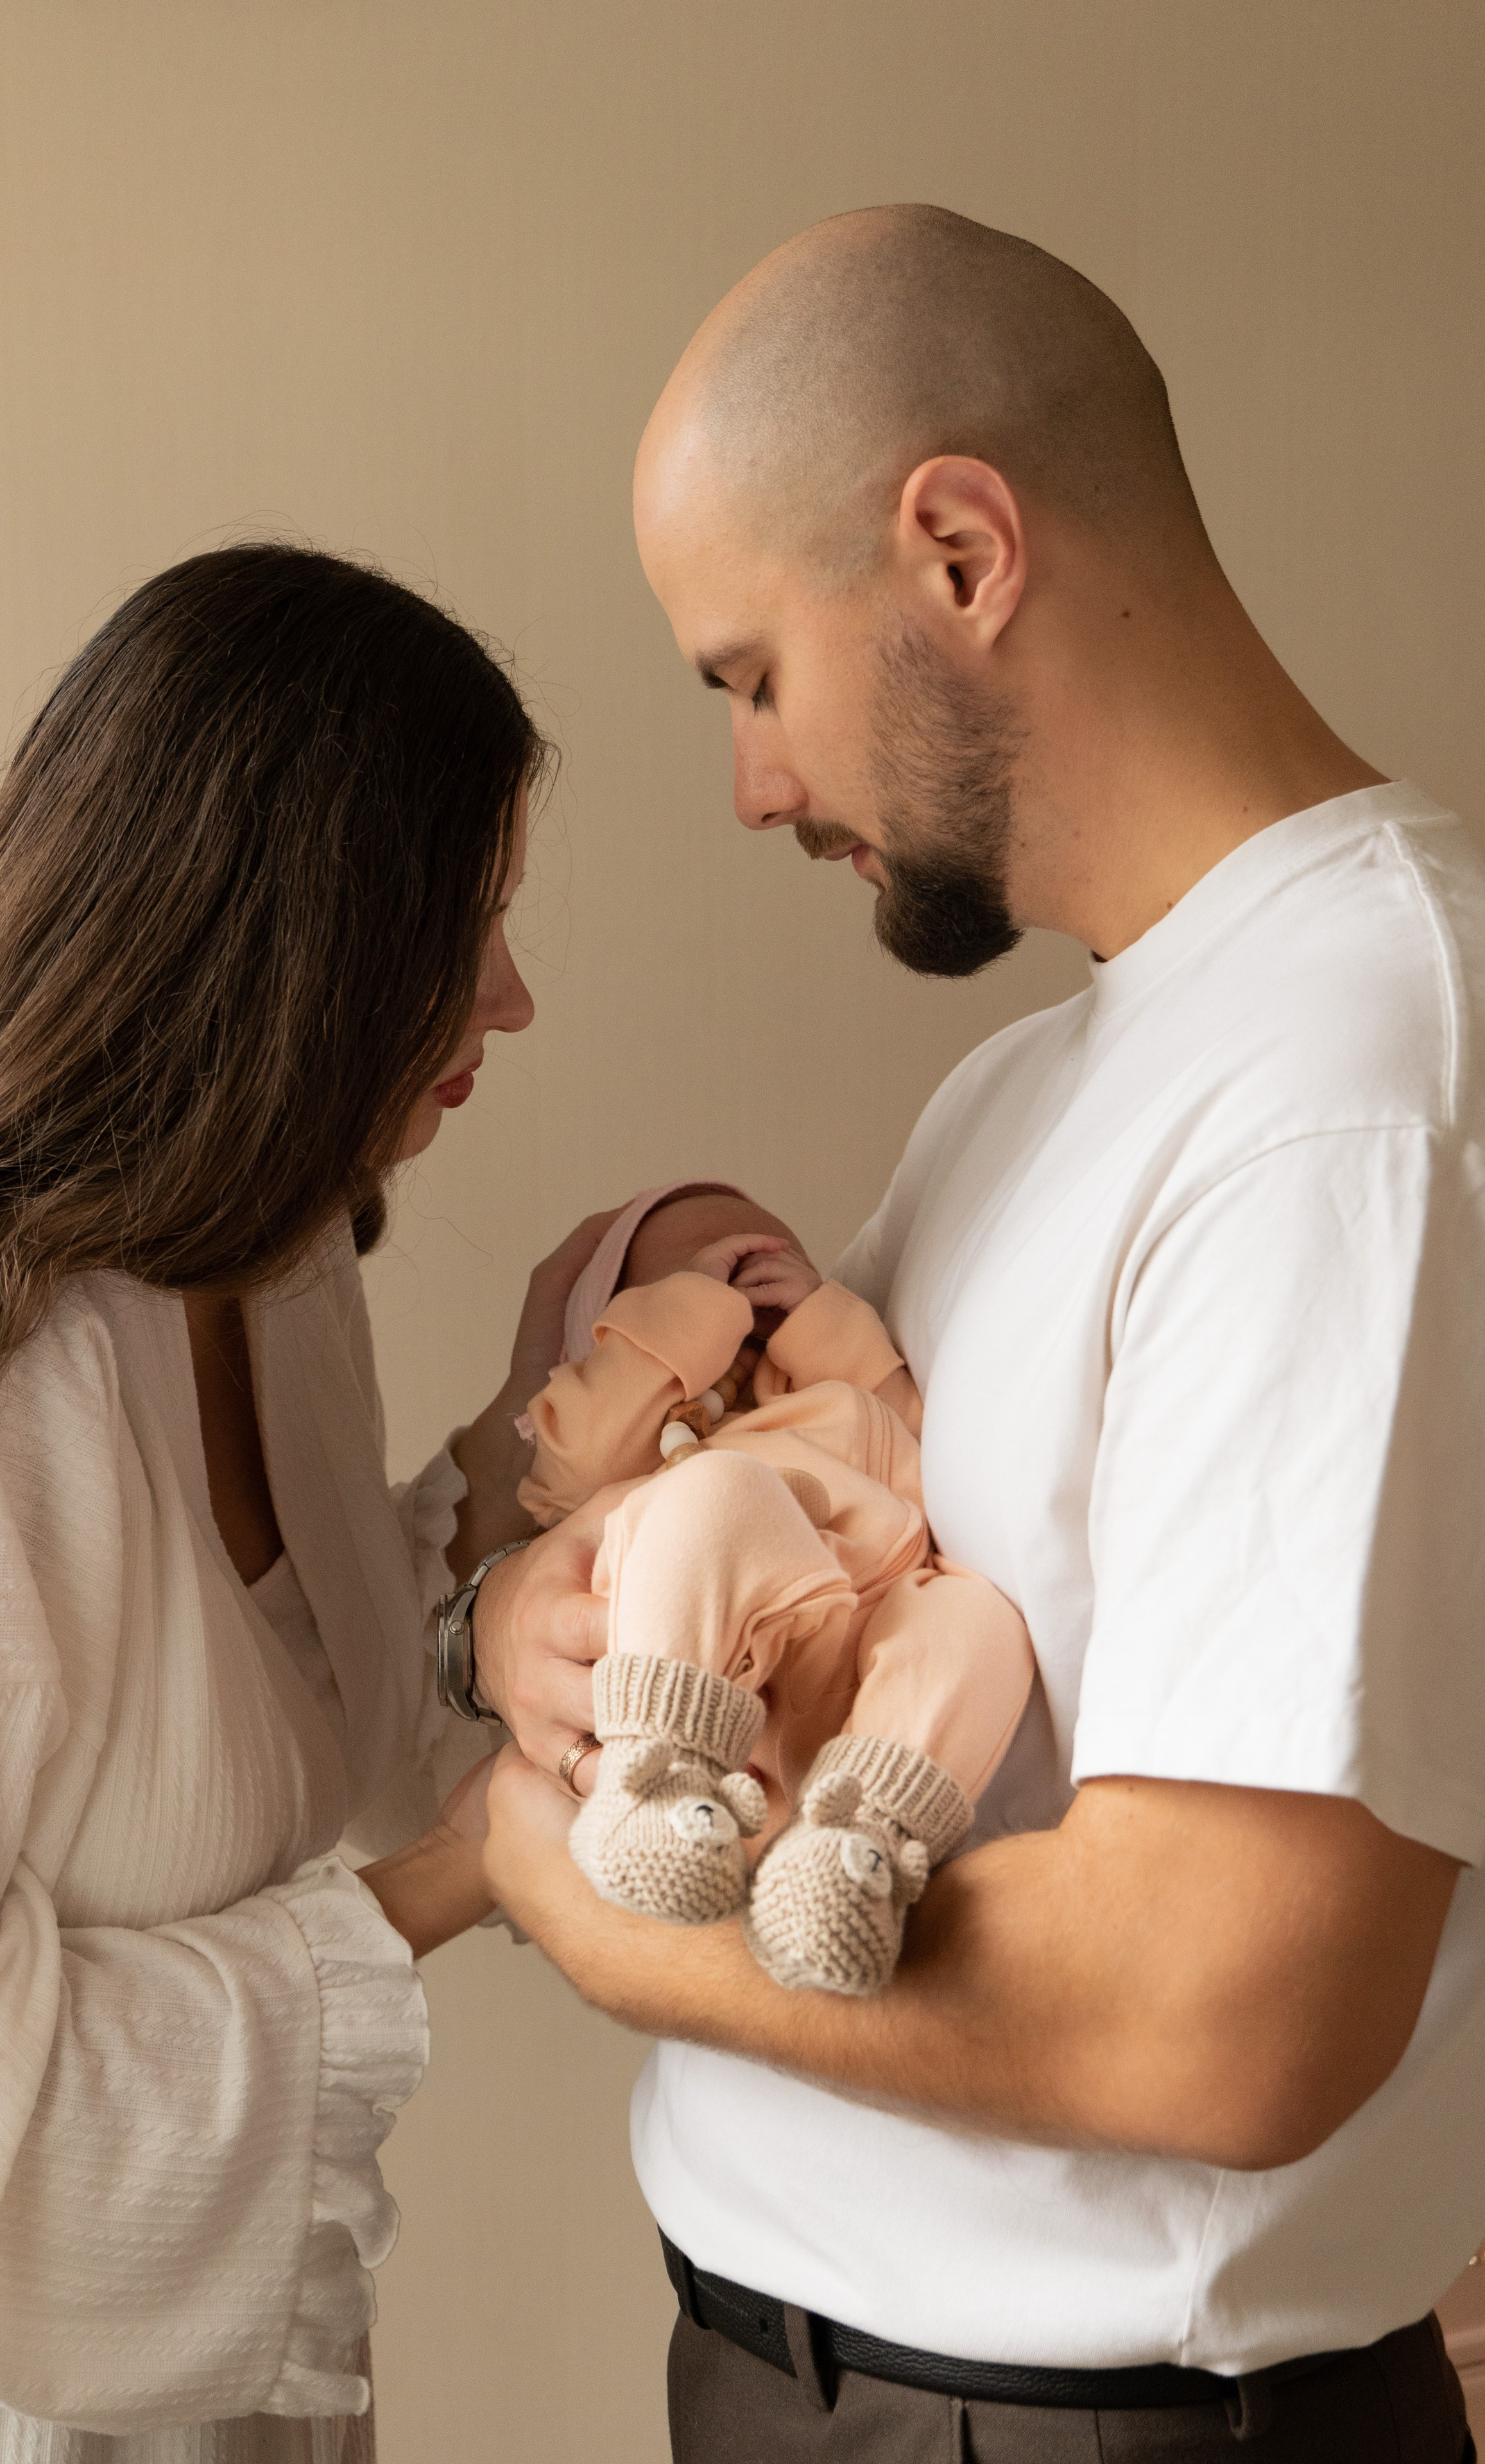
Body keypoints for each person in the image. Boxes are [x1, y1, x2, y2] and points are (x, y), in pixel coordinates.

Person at [474, 206, 1484, 2459]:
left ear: (955, 552)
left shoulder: (1353, 1083)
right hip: (802, 2384)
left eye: (748, 677)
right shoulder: (1035, 1085)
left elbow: (1228, 2014)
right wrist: (564, 1618)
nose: (752, 784)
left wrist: (578, 1901)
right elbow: (856, 1579)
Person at [0, 543, 596, 2463]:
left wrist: (543, 1418)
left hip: (224, 2400)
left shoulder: (267, 1261)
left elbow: (340, 1709)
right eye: (462, 920)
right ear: (295, 936)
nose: (509, 996)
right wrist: (460, 1881)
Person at [517, 1179, 1034, 1996]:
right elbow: (568, 1461)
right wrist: (690, 1314)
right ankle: (659, 1783)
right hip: (720, 1665)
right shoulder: (649, 1441)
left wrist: (828, 1329)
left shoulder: (834, 1401)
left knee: (980, 1618)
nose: (740, 1279)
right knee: (721, 1491)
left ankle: (850, 1848)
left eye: (768, 1257)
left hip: (859, 1651)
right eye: (684, 1273)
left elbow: (930, 1448)